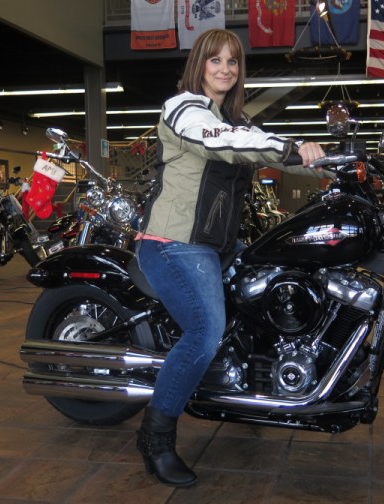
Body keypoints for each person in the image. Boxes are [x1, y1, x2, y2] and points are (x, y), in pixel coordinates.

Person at [134, 28, 326, 487]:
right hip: (172, 242)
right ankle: (155, 437)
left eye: (233, 62)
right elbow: (217, 140)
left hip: (214, 245)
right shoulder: (183, 108)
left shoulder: (231, 119)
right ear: (198, 64)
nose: (224, 69)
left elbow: (259, 143)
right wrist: (288, 149)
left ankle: (256, 389)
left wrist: (328, 161)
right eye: (215, 60)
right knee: (205, 330)